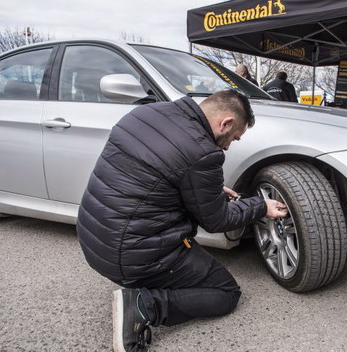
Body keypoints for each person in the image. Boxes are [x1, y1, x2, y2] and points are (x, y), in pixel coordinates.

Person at [76, 90, 288, 352]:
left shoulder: (145, 113)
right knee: (227, 293)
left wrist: (207, 189)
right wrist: (260, 205)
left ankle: (141, 287)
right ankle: (144, 305)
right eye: (233, 138)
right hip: (132, 255)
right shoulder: (203, 153)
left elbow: (154, 173)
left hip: (95, 239)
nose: (228, 146)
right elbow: (217, 220)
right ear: (226, 123)